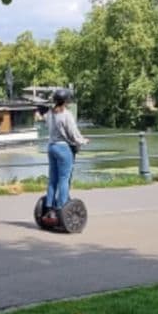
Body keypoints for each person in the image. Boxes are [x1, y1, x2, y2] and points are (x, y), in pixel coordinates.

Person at [42, 88, 88, 223]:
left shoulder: (50, 113)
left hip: (51, 147)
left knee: (53, 180)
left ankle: (49, 208)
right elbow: (73, 133)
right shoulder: (66, 114)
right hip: (63, 149)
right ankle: (61, 208)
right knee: (64, 179)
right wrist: (83, 141)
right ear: (67, 101)